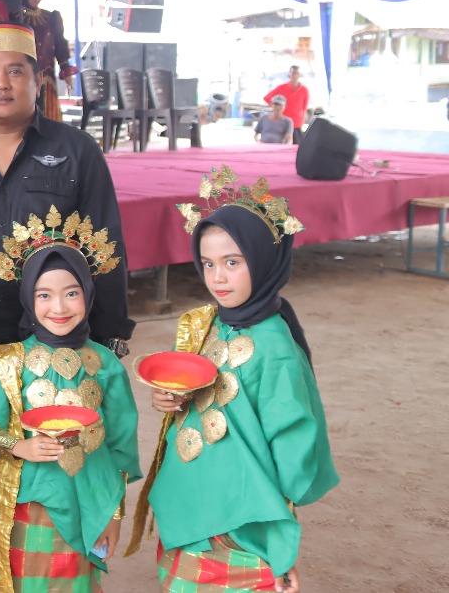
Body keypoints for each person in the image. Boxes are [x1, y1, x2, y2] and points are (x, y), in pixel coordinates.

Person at [126, 166, 339, 592]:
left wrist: (281, 542)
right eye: (207, 263)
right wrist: (173, 401)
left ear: (264, 260)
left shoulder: (275, 346)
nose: (217, 277)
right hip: (190, 491)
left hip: (242, 515)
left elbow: (292, 444)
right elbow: (206, 393)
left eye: (232, 262)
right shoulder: (211, 324)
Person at [0, 23, 134, 375]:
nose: (1, 83)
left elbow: (106, 247)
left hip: (58, 341)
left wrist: (110, 333)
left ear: (39, 79)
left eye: (15, 71)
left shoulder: (77, 151)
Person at [0, 206, 140, 592]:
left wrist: (114, 513)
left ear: (88, 292)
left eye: (72, 293)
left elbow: (119, 447)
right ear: (27, 298)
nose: (60, 307)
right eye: (44, 295)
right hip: (25, 510)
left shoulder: (105, 366)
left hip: (89, 507)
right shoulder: (7, 363)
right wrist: (18, 446)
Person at [7, 0, 75, 121]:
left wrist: (66, 70)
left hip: (46, 76)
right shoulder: (13, 18)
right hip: (20, 77)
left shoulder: (51, 17)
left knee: (46, 116)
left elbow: (60, 44)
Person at [263, 65, 309, 144]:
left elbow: (304, 108)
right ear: (289, 75)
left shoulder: (304, 90)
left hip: (297, 124)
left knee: (296, 147)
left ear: (300, 75)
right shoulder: (281, 87)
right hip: (283, 124)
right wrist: (276, 109)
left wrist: (303, 122)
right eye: (292, 73)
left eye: (296, 73)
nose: (294, 76)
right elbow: (267, 98)